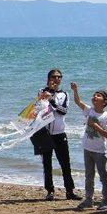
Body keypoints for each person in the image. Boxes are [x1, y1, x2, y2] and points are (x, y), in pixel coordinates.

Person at [38, 69, 82, 201]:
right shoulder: (42, 92)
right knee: (47, 163)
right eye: (54, 77)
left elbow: (63, 111)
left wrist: (52, 100)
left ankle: (70, 191)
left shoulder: (64, 94)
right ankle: (50, 191)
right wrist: (48, 95)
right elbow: (39, 108)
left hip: (59, 133)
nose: (57, 79)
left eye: (59, 77)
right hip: (45, 133)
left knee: (65, 163)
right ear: (48, 78)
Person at [70, 82, 107, 211]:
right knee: (89, 176)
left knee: (103, 176)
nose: (94, 96)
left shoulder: (106, 116)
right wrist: (75, 90)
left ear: (104, 101)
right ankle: (88, 200)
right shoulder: (89, 110)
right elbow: (78, 102)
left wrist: (94, 125)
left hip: (99, 151)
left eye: (98, 95)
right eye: (94, 95)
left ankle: (106, 201)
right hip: (87, 148)